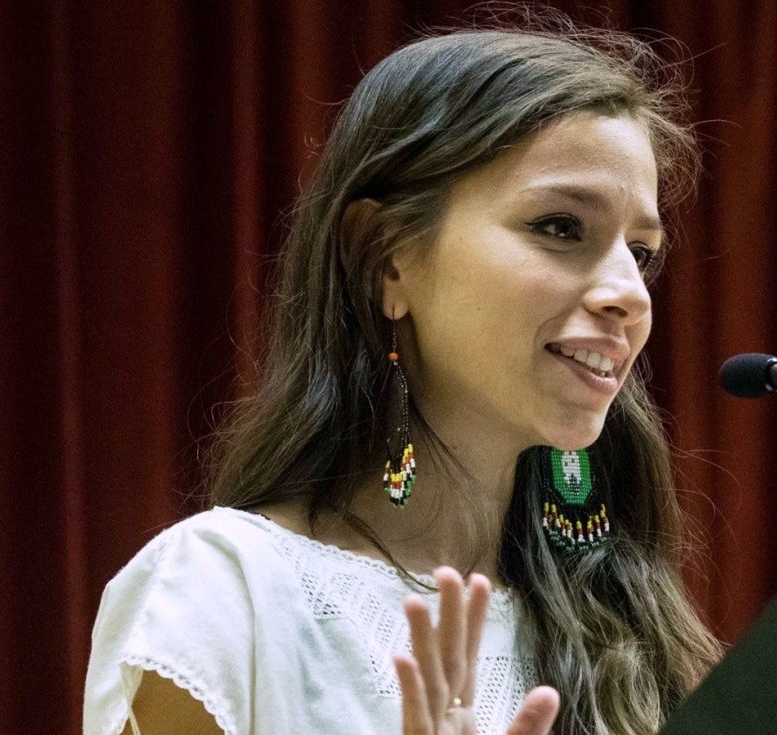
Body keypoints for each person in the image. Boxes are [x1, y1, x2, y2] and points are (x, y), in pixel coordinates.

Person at [83, 12, 722, 735]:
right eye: (561, 227)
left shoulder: (647, 643)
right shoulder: (222, 590)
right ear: (387, 257)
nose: (629, 294)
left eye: (640, 252)